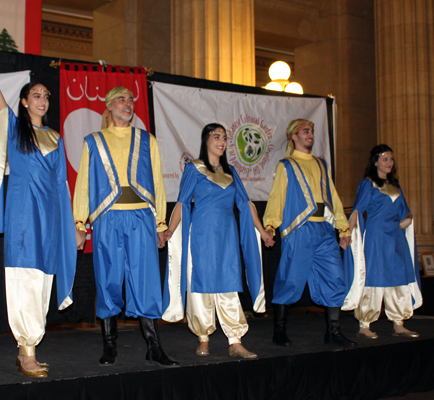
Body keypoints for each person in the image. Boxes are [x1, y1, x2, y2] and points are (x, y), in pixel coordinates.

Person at [0, 14, 77, 377]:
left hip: (49, 218)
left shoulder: (55, 138)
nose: (42, 99)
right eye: (36, 95)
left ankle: (31, 344)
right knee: (24, 280)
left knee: (42, 283)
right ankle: (26, 350)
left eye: (46, 96)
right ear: (24, 102)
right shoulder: (13, 128)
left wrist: (70, 226)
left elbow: (61, 187)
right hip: (23, 216)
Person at [73, 86, 178, 367]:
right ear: (108, 106)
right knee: (107, 278)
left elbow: (157, 182)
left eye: (131, 100)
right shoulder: (93, 141)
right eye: (122, 99)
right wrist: (79, 223)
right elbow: (83, 183)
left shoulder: (147, 140)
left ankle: (154, 347)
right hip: (107, 218)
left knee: (146, 279)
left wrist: (160, 223)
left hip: (141, 217)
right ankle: (110, 346)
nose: (128, 103)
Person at [162, 123, 270, 358]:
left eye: (225, 138)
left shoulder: (231, 172)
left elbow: (246, 203)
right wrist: (170, 230)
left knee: (229, 284)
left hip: (227, 237)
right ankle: (203, 338)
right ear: (206, 140)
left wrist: (261, 230)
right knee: (201, 285)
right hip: (201, 236)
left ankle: (235, 340)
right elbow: (181, 202)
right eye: (216, 136)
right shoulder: (194, 169)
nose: (222, 141)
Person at [263, 118, 356, 348]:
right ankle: (279, 331)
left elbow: (332, 198)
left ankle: (333, 332)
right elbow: (277, 197)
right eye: (306, 131)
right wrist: (270, 226)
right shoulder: (286, 165)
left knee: (335, 277)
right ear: (293, 136)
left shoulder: (321, 164)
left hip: (324, 230)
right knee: (290, 280)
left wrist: (343, 228)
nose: (310, 134)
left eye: (312, 131)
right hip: (299, 229)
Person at [342, 144, 422, 338]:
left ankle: (398, 322)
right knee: (374, 278)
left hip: (395, 237)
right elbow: (357, 210)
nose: (389, 163)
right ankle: (365, 324)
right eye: (385, 159)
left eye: (391, 159)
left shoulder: (395, 184)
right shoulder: (368, 183)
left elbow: (405, 209)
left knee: (397, 277)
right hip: (376, 237)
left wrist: (408, 218)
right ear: (376, 161)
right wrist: (347, 233)